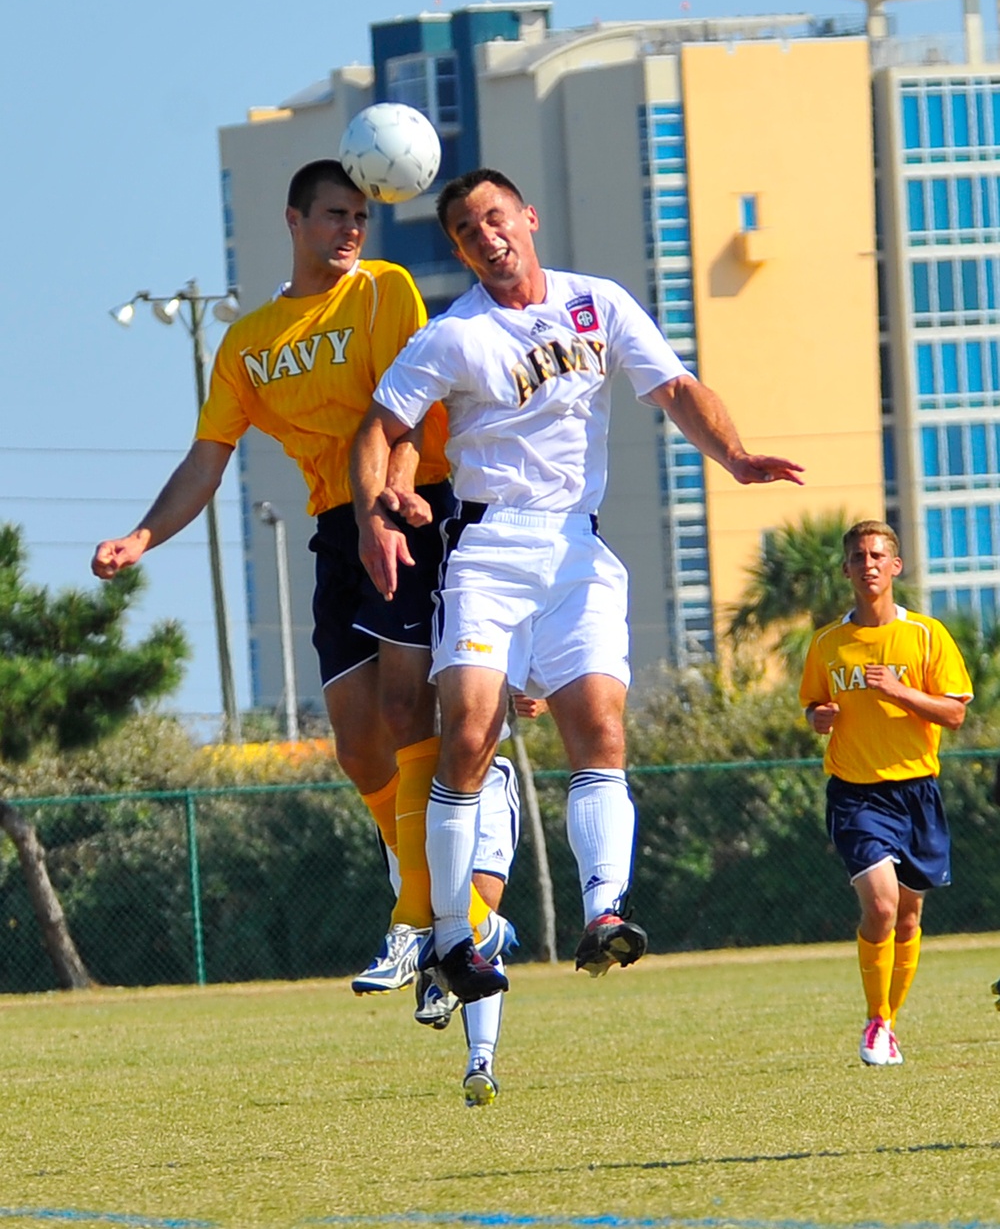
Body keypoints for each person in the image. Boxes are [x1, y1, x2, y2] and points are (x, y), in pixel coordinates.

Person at [350, 166, 804, 1003]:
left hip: (577, 551)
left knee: (599, 726)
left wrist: (735, 457)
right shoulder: (456, 334)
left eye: (495, 218)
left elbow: (674, 387)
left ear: (526, 218)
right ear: (458, 248)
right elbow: (381, 426)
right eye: (465, 231)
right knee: (471, 735)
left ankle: (604, 914)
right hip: (488, 550)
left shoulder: (599, 303)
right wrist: (374, 517)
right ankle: (454, 935)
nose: (486, 236)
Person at [91, 158, 500, 993]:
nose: (352, 229)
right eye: (335, 214)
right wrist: (142, 535)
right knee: (356, 746)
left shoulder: (383, 289)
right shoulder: (247, 342)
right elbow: (207, 463)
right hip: (331, 526)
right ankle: (470, 911)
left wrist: (391, 501)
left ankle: (417, 915)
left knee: (401, 704)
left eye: (360, 215)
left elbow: (407, 412)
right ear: (294, 219)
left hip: (410, 503)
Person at [800, 520, 972, 1066]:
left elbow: (956, 712)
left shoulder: (925, 635)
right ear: (847, 569)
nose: (868, 563)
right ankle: (877, 1023)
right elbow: (813, 707)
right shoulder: (828, 643)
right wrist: (818, 717)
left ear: (895, 567)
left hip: (917, 792)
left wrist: (900, 691)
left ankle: (888, 1023)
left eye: (878, 555)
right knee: (880, 904)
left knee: (909, 920)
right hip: (856, 795)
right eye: (858, 556)